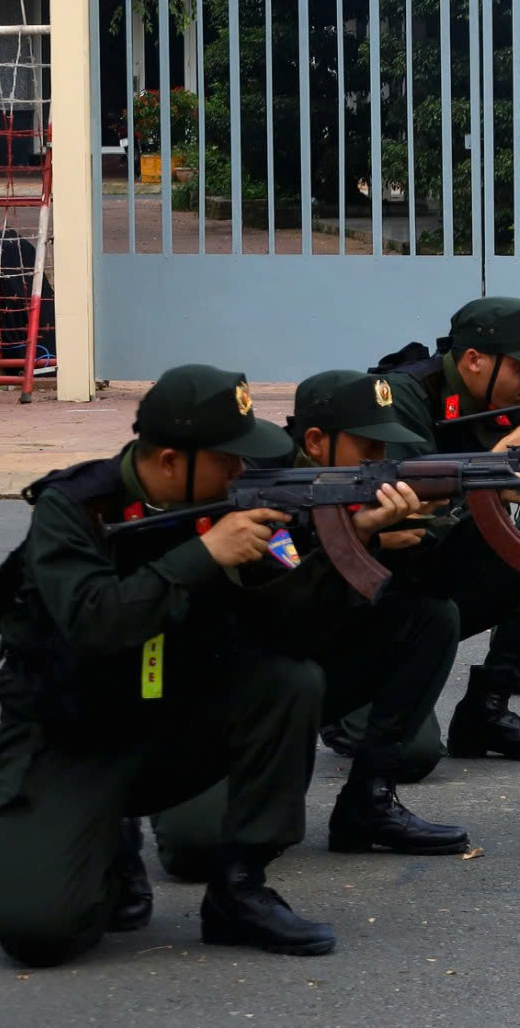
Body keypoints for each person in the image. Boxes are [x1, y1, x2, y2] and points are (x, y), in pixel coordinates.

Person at [0, 366, 333, 965]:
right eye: (228, 461)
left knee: (289, 681)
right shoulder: (74, 510)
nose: (243, 474)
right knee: (38, 931)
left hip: (176, 722)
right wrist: (202, 556)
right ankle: (106, 841)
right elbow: (96, 623)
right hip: (73, 736)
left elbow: (301, 620)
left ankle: (240, 890)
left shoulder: (237, 508)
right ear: (171, 461)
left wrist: (351, 540)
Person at [148, 371, 469, 879]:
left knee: (428, 617)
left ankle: (369, 801)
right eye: (368, 447)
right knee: (199, 851)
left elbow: (444, 583)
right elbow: (271, 606)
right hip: (202, 695)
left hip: (291, 672)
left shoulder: (359, 490)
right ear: (317, 443)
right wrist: (360, 538)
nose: (381, 461)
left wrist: (455, 513)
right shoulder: (257, 493)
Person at [372, 297, 520, 763]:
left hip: (438, 584)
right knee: (411, 757)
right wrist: (504, 455)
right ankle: (345, 705)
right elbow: (404, 504)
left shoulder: (506, 403)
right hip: (379, 602)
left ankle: (486, 710)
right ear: (474, 360)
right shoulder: (403, 397)